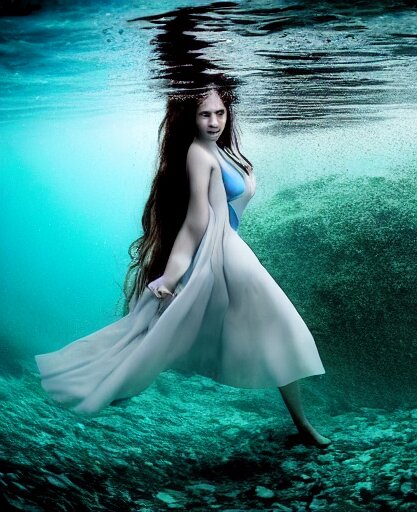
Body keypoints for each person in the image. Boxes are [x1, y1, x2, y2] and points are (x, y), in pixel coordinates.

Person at [34, 74, 332, 447]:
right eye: (204, 114)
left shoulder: (219, 149)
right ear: (189, 116)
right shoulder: (199, 152)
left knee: (261, 332)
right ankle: (114, 385)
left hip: (233, 252)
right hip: (224, 256)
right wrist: (172, 277)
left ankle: (302, 425)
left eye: (220, 113)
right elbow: (194, 224)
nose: (213, 121)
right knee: (193, 330)